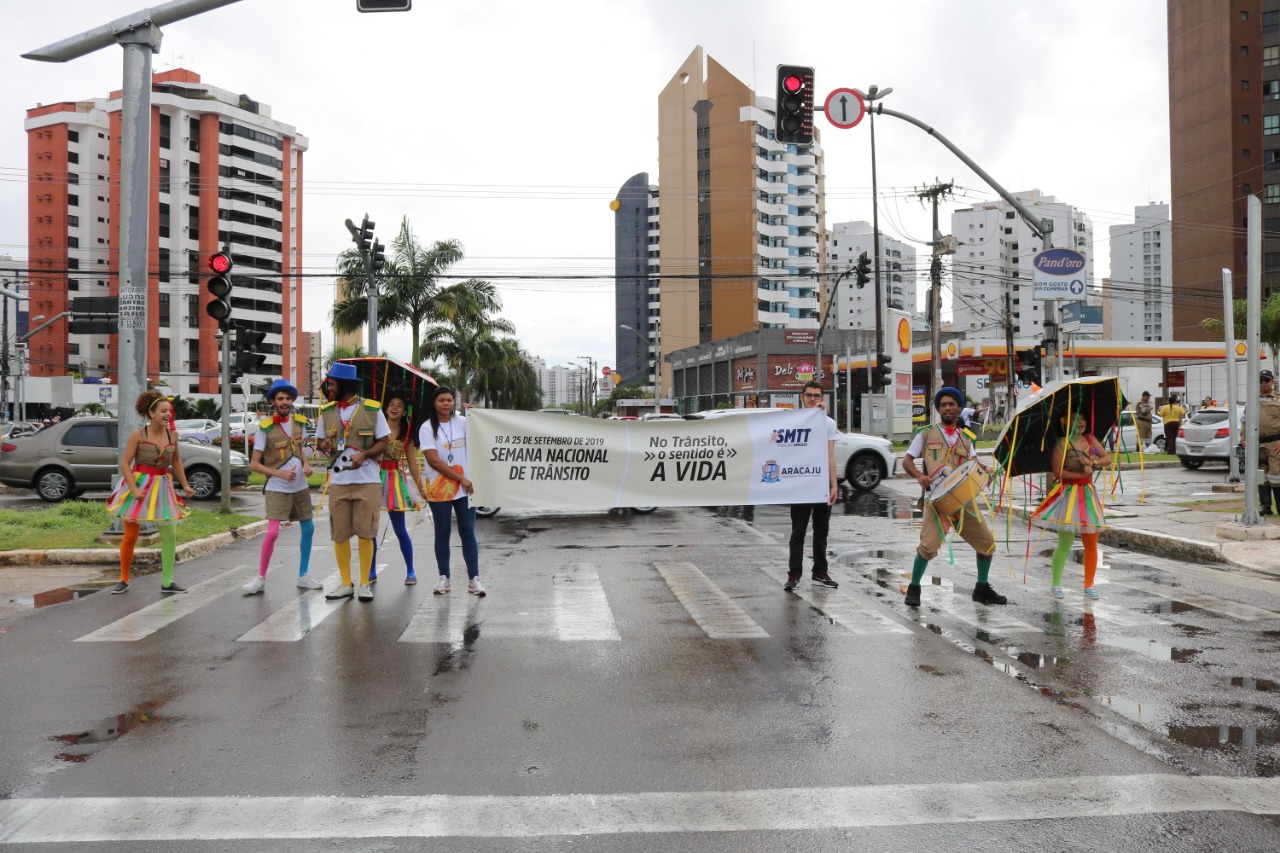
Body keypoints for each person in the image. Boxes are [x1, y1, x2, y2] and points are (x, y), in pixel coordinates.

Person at [900, 387, 1006, 608]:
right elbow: (907, 461)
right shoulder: (926, 432)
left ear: (959, 408)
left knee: (986, 545)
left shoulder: (967, 437)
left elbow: (974, 463)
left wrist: (986, 471)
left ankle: (981, 588)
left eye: (952, 404)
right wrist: (920, 476)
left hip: (963, 501)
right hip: (936, 502)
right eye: (943, 405)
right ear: (938, 409)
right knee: (927, 548)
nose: (947, 408)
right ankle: (914, 588)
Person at [106, 390, 195, 594]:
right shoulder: (139, 434)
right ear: (151, 413)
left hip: (162, 486)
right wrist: (135, 489)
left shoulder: (173, 435)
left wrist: (186, 485)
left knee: (169, 534)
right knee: (131, 535)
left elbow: (176, 461)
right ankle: (124, 579)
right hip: (138, 484)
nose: (168, 414)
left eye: (170, 411)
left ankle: (167, 582)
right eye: (163, 411)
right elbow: (125, 464)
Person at [315, 362, 390, 602]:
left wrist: (365, 455)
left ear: (345, 384)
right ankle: (346, 583)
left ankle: (365, 583)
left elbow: (384, 442)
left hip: (366, 481)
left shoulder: (372, 409)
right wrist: (324, 445)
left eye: (333, 383)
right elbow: (319, 442)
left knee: (366, 533)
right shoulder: (326, 412)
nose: (329, 387)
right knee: (340, 534)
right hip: (338, 482)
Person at [242, 379, 321, 595]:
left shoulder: (300, 423)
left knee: (309, 528)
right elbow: (255, 464)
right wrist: (280, 473)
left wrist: (306, 464)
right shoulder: (264, 428)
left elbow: (300, 450)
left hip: (300, 486)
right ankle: (260, 578)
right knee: (273, 533)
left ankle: (303, 575)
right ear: (272, 402)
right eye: (280, 399)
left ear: (292, 400)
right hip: (278, 487)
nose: (284, 402)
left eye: (287, 398)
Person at [1033, 412, 1112, 599]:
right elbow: (1058, 473)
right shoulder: (1062, 443)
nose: (1080, 424)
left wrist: (1092, 463)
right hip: (1068, 496)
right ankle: (1056, 584)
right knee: (1065, 543)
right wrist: (1081, 474)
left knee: (1091, 542)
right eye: (1075, 421)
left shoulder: (1090, 439)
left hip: (1087, 495)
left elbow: (1107, 459)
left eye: (1082, 420)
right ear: (1066, 423)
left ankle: (1089, 586)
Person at [419, 386, 485, 596]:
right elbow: (433, 461)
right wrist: (461, 479)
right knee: (443, 532)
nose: (446, 403)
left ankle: (474, 579)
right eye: (441, 400)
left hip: (465, 490)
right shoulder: (427, 427)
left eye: (449, 400)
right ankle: (443, 579)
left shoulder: (463, 422)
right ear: (433, 403)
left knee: (468, 532)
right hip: (441, 489)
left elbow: (481, 435)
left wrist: (475, 415)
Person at [784, 380, 840, 591]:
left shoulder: (829, 423)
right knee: (798, 530)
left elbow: (830, 454)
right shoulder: (793, 420)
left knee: (821, 530)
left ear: (822, 398)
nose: (813, 399)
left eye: (817, 396)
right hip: (801, 481)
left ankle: (820, 572)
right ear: (802, 397)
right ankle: (794, 573)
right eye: (809, 395)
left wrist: (834, 485)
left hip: (822, 482)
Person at [374, 392, 424, 585]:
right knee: (371, 530)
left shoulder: (407, 435)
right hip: (374, 479)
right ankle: (370, 572)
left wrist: (422, 490)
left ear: (404, 412)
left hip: (395, 480)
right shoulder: (374, 429)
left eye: (400, 405)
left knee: (400, 529)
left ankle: (410, 570)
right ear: (385, 409)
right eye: (391, 404)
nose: (394, 408)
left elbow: (412, 465)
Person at [1243, 370, 1280, 515]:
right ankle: (1266, 506)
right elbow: (1245, 420)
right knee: (1261, 476)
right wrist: (1243, 439)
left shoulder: (1278, 399)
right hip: (1256, 443)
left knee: (1276, 476)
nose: (1263, 383)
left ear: (1272, 382)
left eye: (1266, 380)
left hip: (1275, 443)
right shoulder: (1251, 399)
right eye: (1261, 380)